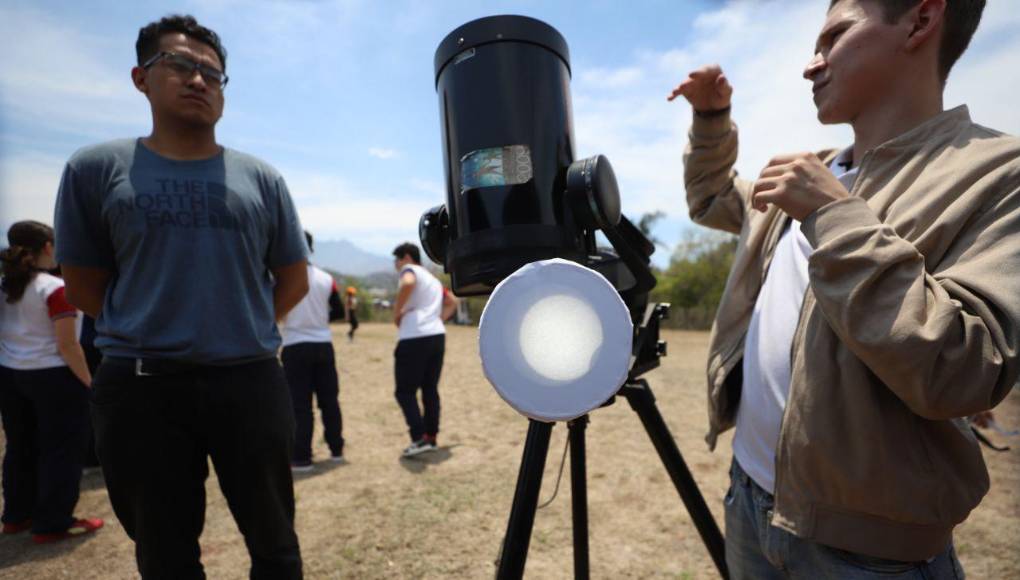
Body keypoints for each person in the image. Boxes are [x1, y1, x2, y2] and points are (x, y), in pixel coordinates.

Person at [670, 0, 1017, 578]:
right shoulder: (812, 171)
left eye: (835, 37)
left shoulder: (998, 174)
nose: (811, 63)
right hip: (748, 495)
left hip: (869, 554)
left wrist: (833, 215)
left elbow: (965, 369)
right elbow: (713, 198)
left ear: (921, 21)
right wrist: (713, 118)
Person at [54, 15, 308, 579]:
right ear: (141, 77)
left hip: (249, 381)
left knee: (276, 545)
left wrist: (236, 325)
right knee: (165, 554)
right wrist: (155, 324)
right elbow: (83, 285)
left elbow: (293, 278)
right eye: (180, 65)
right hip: (141, 388)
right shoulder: (95, 169)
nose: (198, 80)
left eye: (213, 74)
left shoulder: (261, 178)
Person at [0, 221, 103, 543]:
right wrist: (89, 383)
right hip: (53, 376)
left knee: (20, 445)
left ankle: (17, 515)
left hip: (11, 374)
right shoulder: (55, 288)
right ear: (47, 247)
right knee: (61, 450)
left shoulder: (6, 285)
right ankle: (53, 521)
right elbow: (68, 345)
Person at [280, 231, 346, 472]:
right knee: (329, 400)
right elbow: (339, 312)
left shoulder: (281, 278)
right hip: (323, 345)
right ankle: (336, 450)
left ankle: (301, 457)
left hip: (295, 345)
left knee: (300, 405)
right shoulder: (326, 278)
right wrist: (318, 319)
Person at [391, 242, 459, 457]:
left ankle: (419, 437)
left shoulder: (409, 270)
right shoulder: (433, 279)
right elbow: (452, 302)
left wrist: (397, 312)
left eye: (397, 259)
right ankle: (431, 437)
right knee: (430, 389)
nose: (396, 264)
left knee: (405, 392)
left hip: (414, 336)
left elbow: (408, 283)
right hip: (436, 335)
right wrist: (437, 320)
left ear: (407, 257)